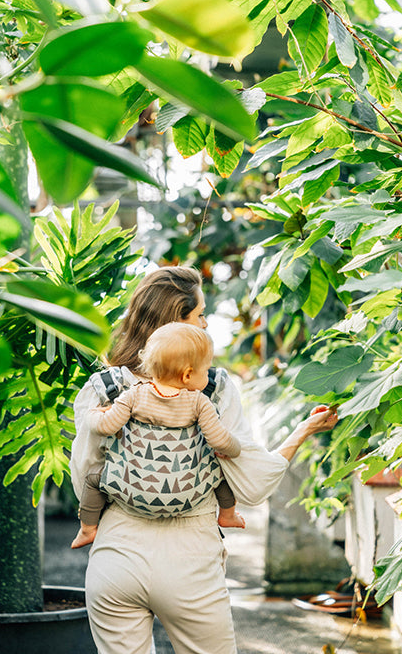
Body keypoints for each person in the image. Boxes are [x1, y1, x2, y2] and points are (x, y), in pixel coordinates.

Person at [70, 265, 337, 654]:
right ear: (178, 324)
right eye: (199, 315)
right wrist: (302, 432)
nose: (207, 322)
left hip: (115, 559)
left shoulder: (103, 388)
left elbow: (85, 477)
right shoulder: (211, 389)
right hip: (190, 560)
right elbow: (251, 481)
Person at [71, 323, 244, 549]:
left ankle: (87, 529)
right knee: (222, 473)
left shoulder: (134, 395)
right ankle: (228, 515)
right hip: (188, 495)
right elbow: (219, 440)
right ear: (188, 374)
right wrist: (234, 449)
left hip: (132, 491)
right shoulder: (199, 402)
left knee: (94, 480)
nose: (208, 374)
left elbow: (105, 426)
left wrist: (93, 414)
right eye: (206, 369)